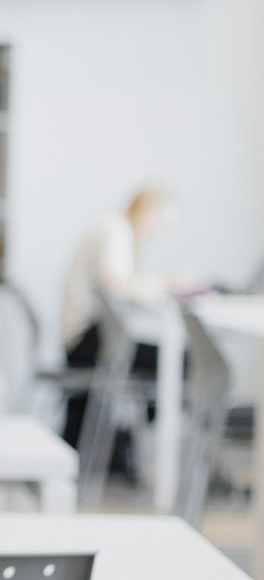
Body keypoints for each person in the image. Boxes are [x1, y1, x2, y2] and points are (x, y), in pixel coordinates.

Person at [58, 185, 193, 464]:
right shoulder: (116, 229)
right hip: (88, 340)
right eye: (160, 221)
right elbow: (116, 283)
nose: (157, 231)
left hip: (88, 338)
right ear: (148, 209)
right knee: (181, 362)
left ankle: (138, 439)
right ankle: (155, 441)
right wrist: (166, 284)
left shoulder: (115, 229)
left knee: (171, 361)